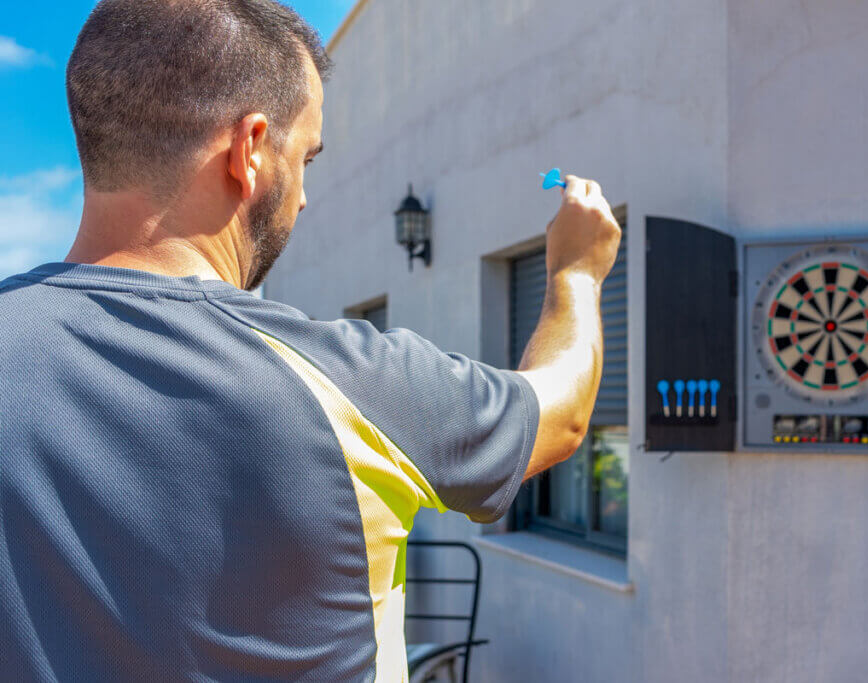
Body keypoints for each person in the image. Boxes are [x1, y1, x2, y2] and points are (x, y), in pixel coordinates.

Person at [0, 0, 622, 680]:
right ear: (252, 151)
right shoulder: (356, 384)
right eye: (307, 158)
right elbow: (559, 414)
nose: (303, 199)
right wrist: (575, 273)